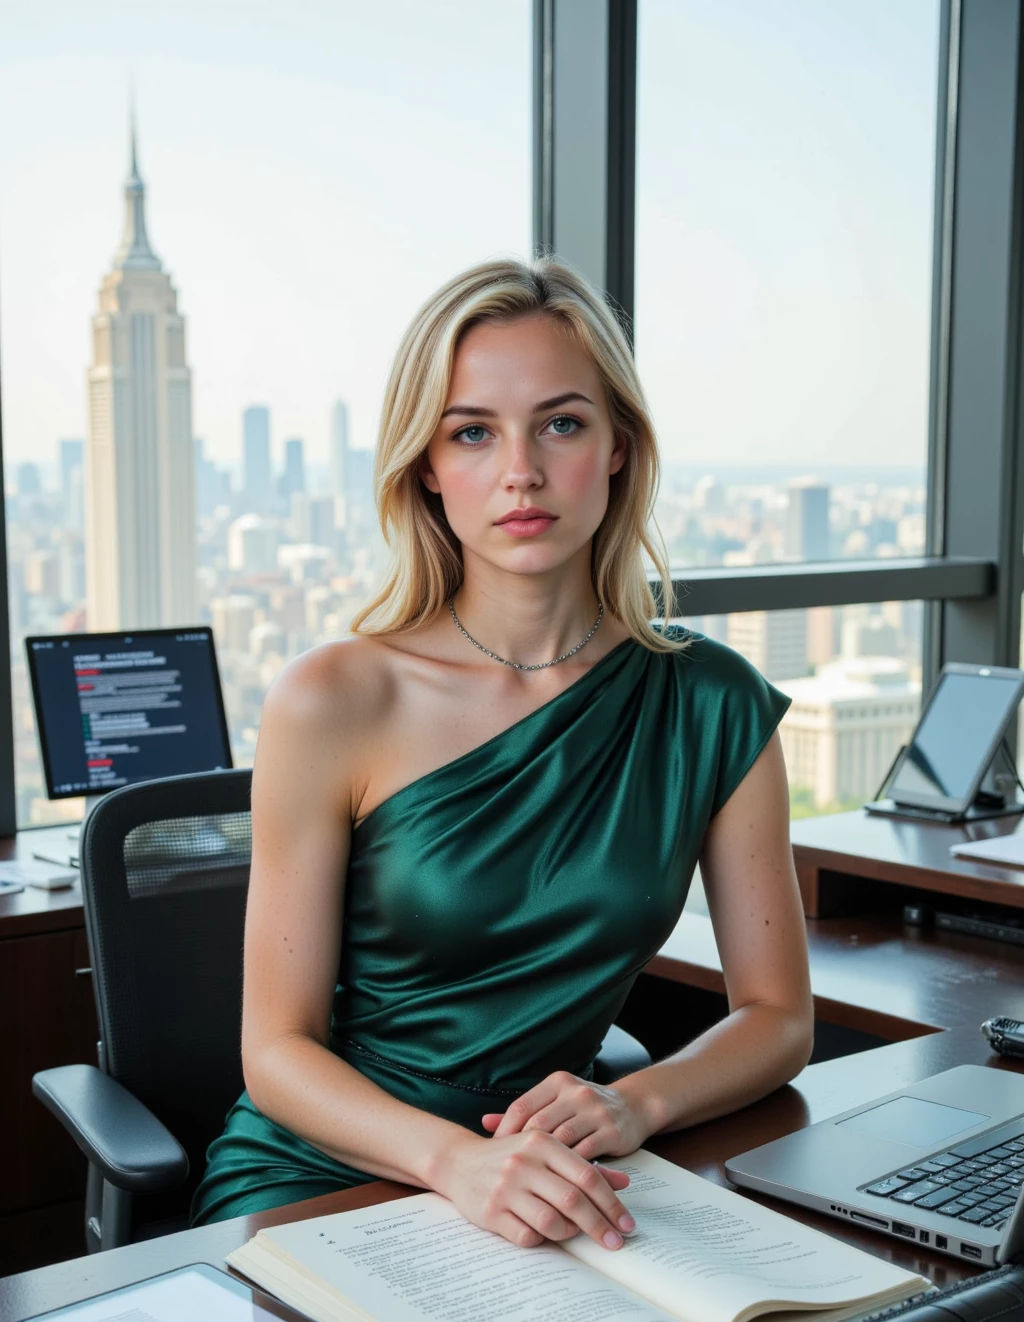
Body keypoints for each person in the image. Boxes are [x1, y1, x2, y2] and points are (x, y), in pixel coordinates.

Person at [191, 257, 814, 1251]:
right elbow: (274, 1050)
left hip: (543, 1178)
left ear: (617, 447)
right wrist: (452, 1164)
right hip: (326, 1171)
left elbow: (779, 1017)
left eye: (561, 423)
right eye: (472, 431)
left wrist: (637, 1106)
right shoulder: (334, 700)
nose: (519, 469)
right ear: (427, 466)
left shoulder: (712, 702)